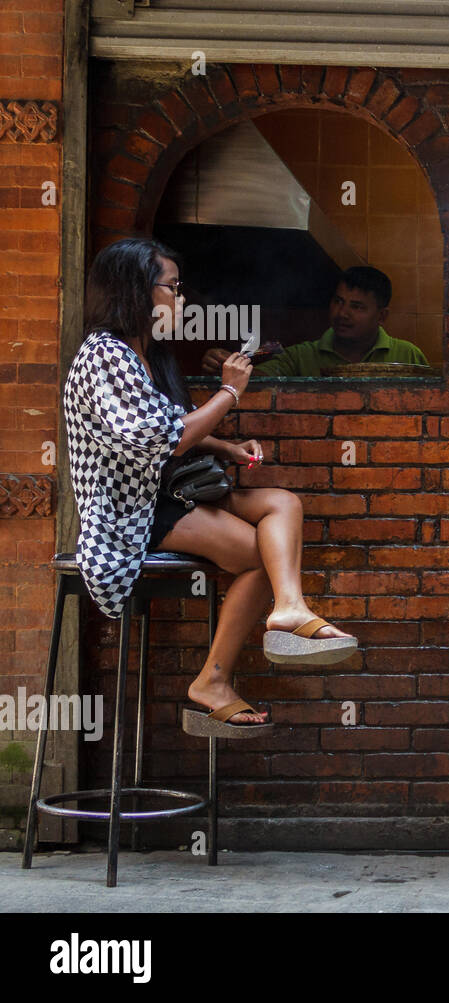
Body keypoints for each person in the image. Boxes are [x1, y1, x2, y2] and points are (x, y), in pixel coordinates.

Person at [63, 237, 357, 730]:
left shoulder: (147, 356)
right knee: (257, 554)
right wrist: (228, 392)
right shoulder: (104, 354)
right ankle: (212, 682)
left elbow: (169, 424)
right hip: (129, 514)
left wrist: (224, 447)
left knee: (282, 505)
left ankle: (288, 608)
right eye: (172, 287)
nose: (179, 299)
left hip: (169, 494)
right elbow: (162, 438)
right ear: (136, 290)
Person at [200, 266, 429, 377]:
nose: (342, 313)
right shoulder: (300, 356)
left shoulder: (408, 355)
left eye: (357, 307)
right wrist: (224, 366)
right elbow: (255, 380)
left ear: (382, 316)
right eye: (338, 301)